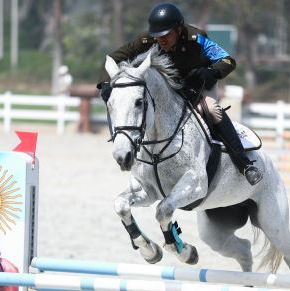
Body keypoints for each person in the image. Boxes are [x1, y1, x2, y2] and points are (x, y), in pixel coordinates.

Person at [97, 3, 262, 186]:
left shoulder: (197, 38)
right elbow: (113, 58)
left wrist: (212, 72)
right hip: (168, 91)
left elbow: (227, 60)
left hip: (198, 87)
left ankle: (244, 164)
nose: (162, 41)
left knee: (212, 109)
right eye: (158, 36)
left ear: (179, 29)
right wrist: (106, 83)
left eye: (166, 35)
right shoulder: (146, 39)